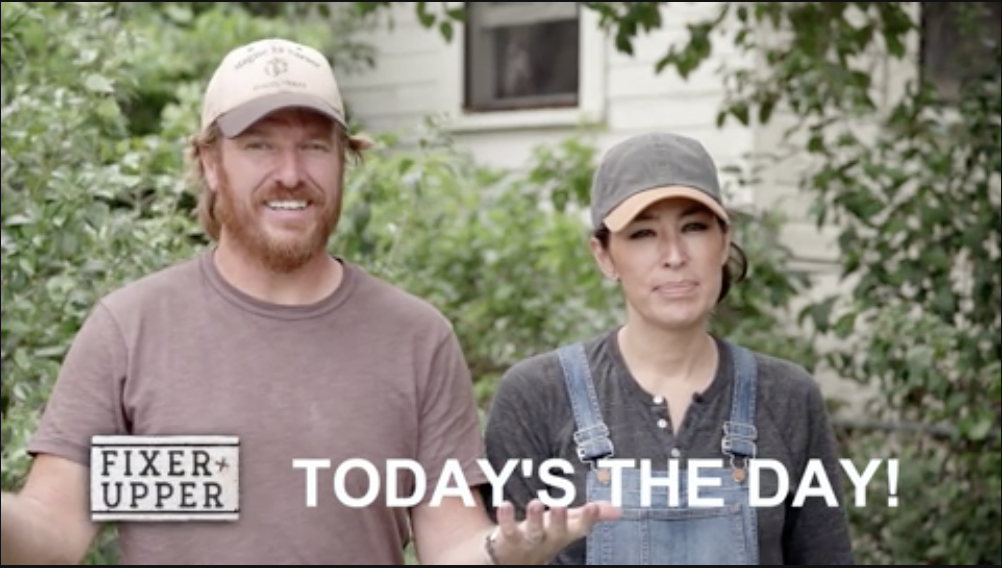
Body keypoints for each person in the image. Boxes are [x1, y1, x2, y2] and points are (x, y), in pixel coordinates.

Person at [0, 37, 618, 565]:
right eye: (259, 145)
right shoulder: (131, 330)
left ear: (345, 161)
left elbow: (449, 540)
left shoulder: (414, 338)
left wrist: (501, 553)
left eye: (315, 146)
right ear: (210, 163)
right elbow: (54, 535)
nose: (291, 173)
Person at [481, 132, 855, 564]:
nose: (674, 255)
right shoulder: (538, 394)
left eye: (694, 227)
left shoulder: (787, 396)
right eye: (642, 234)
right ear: (603, 255)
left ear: (724, 239)